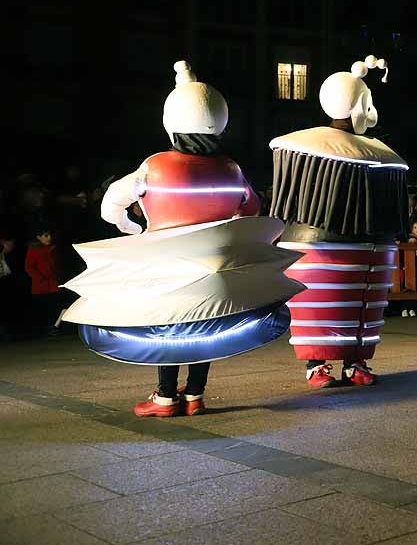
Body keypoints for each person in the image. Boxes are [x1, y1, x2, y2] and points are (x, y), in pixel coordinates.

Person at [61, 61, 303, 416]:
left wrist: (133, 230)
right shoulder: (231, 170)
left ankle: (164, 398)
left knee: (168, 327)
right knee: (206, 324)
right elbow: (252, 209)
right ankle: (194, 395)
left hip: (166, 268)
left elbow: (111, 204)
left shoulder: (154, 166)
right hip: (213, 269)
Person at [269, 55, 408, 388]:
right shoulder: (308, 147)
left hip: (362, 244)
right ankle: (317, 364)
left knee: (356, 302)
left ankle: (353, 361)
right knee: (324, 302)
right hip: (318, 243)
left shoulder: (371, 153)